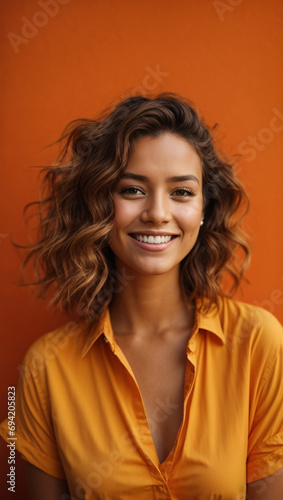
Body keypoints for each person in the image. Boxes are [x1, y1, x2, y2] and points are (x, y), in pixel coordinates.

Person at [0, 93, 282, 500]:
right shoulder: (46, 369)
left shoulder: (259, 343)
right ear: (100, 204)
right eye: (132, 190)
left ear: (204, 208)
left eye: (181, 192)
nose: (157, 212)